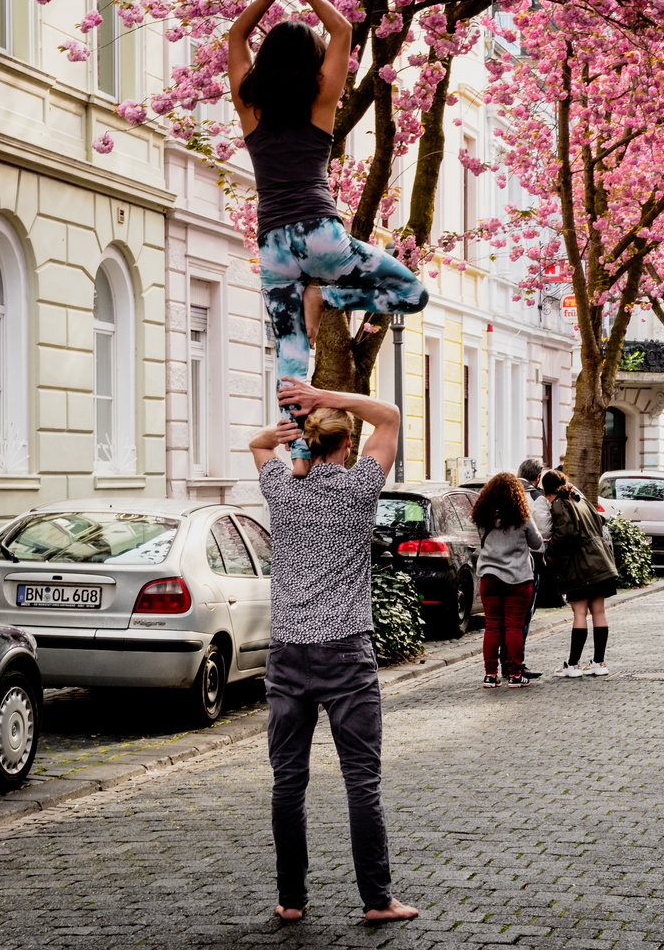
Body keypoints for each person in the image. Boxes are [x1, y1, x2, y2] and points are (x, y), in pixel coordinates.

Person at [231, 0, 427, 476]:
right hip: (322, 234)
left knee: (291, 350)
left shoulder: (250, 106)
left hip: (273, 244)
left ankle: (298, 458)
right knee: (411, 293)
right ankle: (328, 292)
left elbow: (234, 38)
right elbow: (342, 31)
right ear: (312, 61)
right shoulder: (321, 100)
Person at [247, 378, 417, 924]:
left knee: (288, 781)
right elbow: (389, 415)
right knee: (361, 781)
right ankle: (377, 899)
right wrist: (325, 396)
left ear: (308, 444)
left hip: (290, 654)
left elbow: (257, 445)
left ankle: (291, 901)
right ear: (346, 446)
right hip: (345, 653)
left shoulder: (281, 489)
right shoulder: (359, 488)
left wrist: (286, 435)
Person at [470, 473, 544, 689]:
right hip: (518, 579)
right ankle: (514, 675)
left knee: (492, 626)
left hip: (489, 577)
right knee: (513, 627)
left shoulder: (482, 515)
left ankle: (490, 675)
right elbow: (537, 542)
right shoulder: (521, 516)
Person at [543, 471, 618, 677]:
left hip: (580, 566)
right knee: (599, 612)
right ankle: (599, 663)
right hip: (600, 561)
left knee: (579, 612)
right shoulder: (580, 499)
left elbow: (566, 533)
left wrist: (550, 552)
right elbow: (599, 523)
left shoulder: (560, 503)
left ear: (545, 490)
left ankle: (573, 664)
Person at [512, 459, 551, 680]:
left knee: (500, 621)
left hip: (497, 562)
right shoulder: (537, 497)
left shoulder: (500, 494)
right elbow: (542, 532)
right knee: (523, 616)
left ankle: (498, 667)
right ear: (538, 478)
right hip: (529, 561)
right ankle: (517, 663)